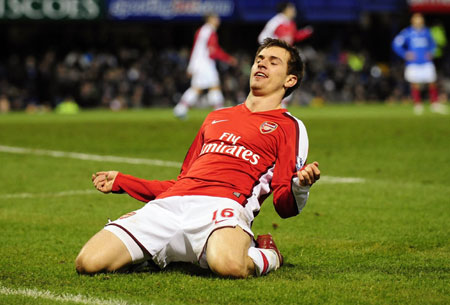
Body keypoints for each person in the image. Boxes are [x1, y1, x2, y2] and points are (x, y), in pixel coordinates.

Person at [75, 38, 320, 278]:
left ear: (290, 79)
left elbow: (285, 206)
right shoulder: (215, 117)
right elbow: (182, 183)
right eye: (259, 59)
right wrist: (123, 182)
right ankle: (155, 255)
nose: (262, 64)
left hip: (224, 208)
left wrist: (300, 186)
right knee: (88, 262)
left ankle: (268, 253)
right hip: (170, 207)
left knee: (230, 265)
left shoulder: (289, 127)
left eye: (273, 62)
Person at [173, 13, 237, 119]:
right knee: (214, 86)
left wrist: (191, 66)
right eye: (216, 18)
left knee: (197, 88)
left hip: (199, 63)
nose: (218, 20)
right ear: (210, 19)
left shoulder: (202, 31)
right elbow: (213, 51)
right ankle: (219, 112)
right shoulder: (209, 31)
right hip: (205, 64)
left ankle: (180, 109)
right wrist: (228, 59)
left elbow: (196, 49)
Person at [258, 2, 313, 107]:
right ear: (286, 9)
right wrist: (271, 52)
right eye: (292, 9)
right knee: (276, 83)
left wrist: (306, 32)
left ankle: (281, 109)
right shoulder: (276, 21)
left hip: (287, 57)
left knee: (289, 81)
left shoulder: (291, 23)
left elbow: (293, 37)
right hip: (276, 59)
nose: (294, 11)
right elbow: (262, 37)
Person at [392, 13, 447, 115]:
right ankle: (418, 104)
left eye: (420, 20)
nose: (419, 22)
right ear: (412, 21)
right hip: (413, 63)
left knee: (432, 81)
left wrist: (432, 52)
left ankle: (434, 104)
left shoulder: (427, 32)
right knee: (414, 83)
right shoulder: (407, 32)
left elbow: (433, 45)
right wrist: (405, 54)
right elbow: (396, 44)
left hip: (426, 62)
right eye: (416, 20)